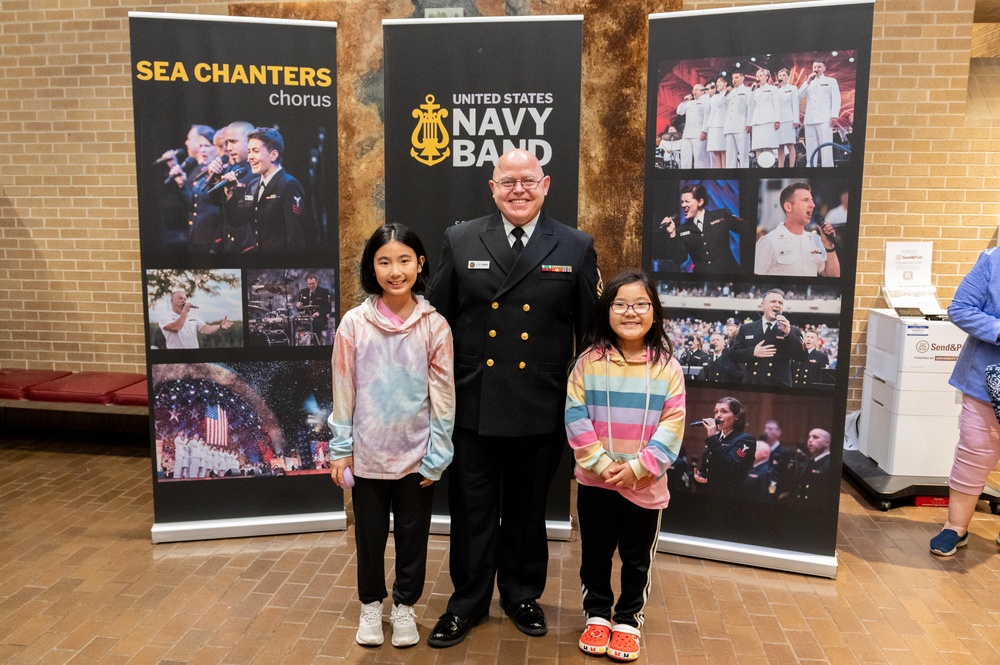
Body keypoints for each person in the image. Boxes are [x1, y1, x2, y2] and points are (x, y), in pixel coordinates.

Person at [427, 148, 600, 647]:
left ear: (545, 185)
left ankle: (522, 595)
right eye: (508, 182)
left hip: (540, 404)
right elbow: (436, 322)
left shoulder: (574, 244)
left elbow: (590, 334)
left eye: (528, 181)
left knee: (527, 511)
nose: (518, 190)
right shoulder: (460, 239)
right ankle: (468, 602)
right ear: (492, 187)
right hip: (473, 404)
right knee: (471, 509)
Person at [328, 223, 455, 646]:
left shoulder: (435, 326)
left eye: (404, 260)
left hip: (416, 457)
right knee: (368, 537)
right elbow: (343, 391)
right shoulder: (353, 324)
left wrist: (437, 455)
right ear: (372, 267)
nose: (395, 270)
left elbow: (443, 397)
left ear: (419, 264)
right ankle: (370, 606)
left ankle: (404, 607)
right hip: (366, 456)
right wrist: (340, 450)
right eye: (384, 261)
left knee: (413, 538)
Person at [565, 269, 685, 661]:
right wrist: (600, 464)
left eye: (640, 304)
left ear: (654, 312)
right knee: (595, 554)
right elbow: (576, 417)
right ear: (607, 310)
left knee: (637, 559)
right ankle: (597, 615)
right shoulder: (588, 362)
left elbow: (672, 425)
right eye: (620, 304)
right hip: (595, 482)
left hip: (644, 486)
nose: (630, 313)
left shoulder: (668, 367)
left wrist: (637, 468)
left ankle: (629, 620)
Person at [929, 247, 1000, 556]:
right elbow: (960, 308)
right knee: (974, 453)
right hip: (986, 382)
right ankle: (956, 527)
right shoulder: (993, 260)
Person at [754, 182, 840, 277]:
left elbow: (833, 276)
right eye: (806, 200)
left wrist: (830, 248)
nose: (813, 205)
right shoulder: (769, 241)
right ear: (788, 207)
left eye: (812, 200)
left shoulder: (816, 240)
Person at [729, 289, 808, 387]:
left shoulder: (792, 330)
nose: (777, 305)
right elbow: (732, 355)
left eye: (780, 303)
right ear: (762, 305)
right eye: (773, 301)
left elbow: (802, 356)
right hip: (752, 383)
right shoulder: (747, 328)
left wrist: (788, 333)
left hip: (779, 386)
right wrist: (753, 352)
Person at [658, 183, 743, 274]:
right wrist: (672, 234)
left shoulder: (721, 215)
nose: (683, 205)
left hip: (730, 274)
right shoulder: (682, 229)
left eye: (687, 201)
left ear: (700, 202)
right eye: (682, 202)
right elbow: (678, 259)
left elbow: (746, 228)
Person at [692, 397, 756, 496]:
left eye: (724, 412)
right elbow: (709, 465)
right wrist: (700, 477)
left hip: (730, 495)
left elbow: (730, 466)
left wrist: (713, 438)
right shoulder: (716, 438)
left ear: (737, 416)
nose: (718, 416)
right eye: (716, 412)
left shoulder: (746, 439)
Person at [797, 59, 842, 167]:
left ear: (824, 68)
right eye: (814, 67)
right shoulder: (808, 82)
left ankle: (827, 166)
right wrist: (807, 82)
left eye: (819, 67)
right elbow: (798, 95)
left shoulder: (831, 81)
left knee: (826, 145)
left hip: (824, 118)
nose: (816, 69)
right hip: (810, 118)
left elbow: (836, 98)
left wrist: (834, 115)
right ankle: (810, 165)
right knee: (811, 145)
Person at [157, 290, 232, 349]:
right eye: (180, 298)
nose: (183, 301)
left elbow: (206, 328)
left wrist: (220, 326)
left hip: (194, 355)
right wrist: (185, 311)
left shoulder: (193, 316)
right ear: (171, 301)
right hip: (176, 357)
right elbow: (175, 328)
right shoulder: (165, 317)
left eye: (185, 299)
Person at [748, 68, 779, 167]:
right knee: (758, 147)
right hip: (757, 121)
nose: (758, 78)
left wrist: (777, 120)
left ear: (766, 77)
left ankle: (770, 166)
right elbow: (748, 103)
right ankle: (759, 167)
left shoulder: (772, 89)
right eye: (757, 76)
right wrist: (752, 90)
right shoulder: (755, 90)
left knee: (768, 145)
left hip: (768, 120)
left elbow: (776, 105)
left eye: (761, 76)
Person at [792, 428, 832, 504]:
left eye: (815, 437)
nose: (810, 440)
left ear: (827, 443)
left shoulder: (829, 463)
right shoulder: (809, 460)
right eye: (809, 437)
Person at [723, 71, 752, 168]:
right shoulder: (729, 92)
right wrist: (726, 92)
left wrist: (749, 123)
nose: (734, 80)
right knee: (730, 156)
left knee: (743, 154)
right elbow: (720, 104)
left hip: (741, 125)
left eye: (736, 77)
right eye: (733, 78)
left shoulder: (748, 90)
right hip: (729, 126)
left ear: (743, 78)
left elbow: (750, 107)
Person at [676, 84, 708, 169]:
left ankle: (700, 177)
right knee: (685, 157)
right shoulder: (690, 103)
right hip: (687, 133)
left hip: (698, 133)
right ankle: (685, 176)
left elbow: (707, 116)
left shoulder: (705, 100)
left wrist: (704, 131)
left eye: (697, 90)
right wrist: (684, 101)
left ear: (703, 91)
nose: (694, 92)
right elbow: (679, 111)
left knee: (699, 159)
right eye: (693, 90)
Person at [295, 274, 333, 344]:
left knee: (316, 323)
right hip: (306, 317)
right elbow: (300, 309)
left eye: (313, 284)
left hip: (320, 317)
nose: (311, 286)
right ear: (307, 283)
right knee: (293, 322)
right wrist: (298, 306)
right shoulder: (303, 292)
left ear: (317, 282)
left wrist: (318, 313)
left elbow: (328, 308)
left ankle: (316, 343)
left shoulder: (324, 291)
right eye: (309, 284)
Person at [775, 68, 800, 168]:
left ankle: (791, 166)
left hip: (789, 119)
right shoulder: (776, 90)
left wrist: (796, 119)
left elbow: (795, 104)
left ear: (788, 77)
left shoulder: (793, 88)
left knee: (790, 144)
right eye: (780, 76)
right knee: (780, 146)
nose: (781, 77)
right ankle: (780, 167)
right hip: (778, 120)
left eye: (784, 75)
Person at [705, 78, 728, 169]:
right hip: (713, 124)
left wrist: (726, 93)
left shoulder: (728, 94)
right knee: (715, 150)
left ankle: (725, 168)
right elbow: (706, 108)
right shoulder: (714, 96)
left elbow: (720, 104)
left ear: (725, 83)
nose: (717, 84)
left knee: (723, 149)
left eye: (719, 82)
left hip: (722, 124)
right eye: (716, 82)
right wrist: (708, 93)